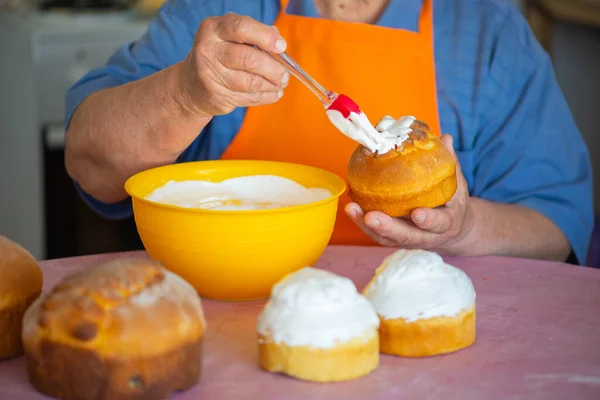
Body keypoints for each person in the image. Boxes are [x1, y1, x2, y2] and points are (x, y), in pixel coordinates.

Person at [64, 0, 594, 264]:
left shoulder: (486, 27)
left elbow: (555, 224)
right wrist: (184, 92)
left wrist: (465, 227)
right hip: (222, 323)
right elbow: (90, 163)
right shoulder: (219, 9)